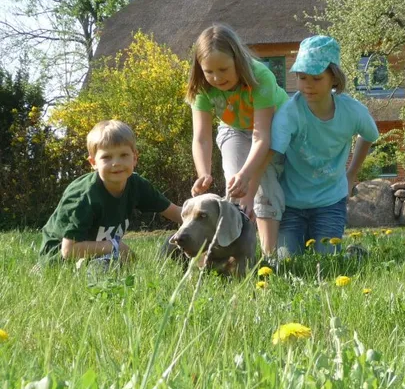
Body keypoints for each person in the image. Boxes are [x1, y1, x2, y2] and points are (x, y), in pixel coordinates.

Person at [270, 35, 380, 257]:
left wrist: (351, 174)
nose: (307, 86)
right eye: (302, 78)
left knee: (327, 260)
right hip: (291, 203)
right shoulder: (289, 113)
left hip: (330, 201)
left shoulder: (352, 111)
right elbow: (272, 154)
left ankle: (355, 255)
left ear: (334, 79)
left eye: (316, 78)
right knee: (287, 261)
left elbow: (369, 135)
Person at [185, 23, 289, 257]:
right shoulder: (202, 87)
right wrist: (204, 173)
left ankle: (269, 256)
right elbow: (201, 137)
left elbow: (261, 136)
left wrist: (248, 177)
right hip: (234, 128)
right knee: (235, 187)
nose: (216, 77)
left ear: (237, 60)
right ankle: (235, 254)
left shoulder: (260, 77)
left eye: (223, 69)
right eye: (208, 71)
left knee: (266, 185)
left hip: (272, 129)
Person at [39, 120, 183, 263]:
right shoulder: (84, 196)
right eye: (107, 157)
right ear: (93, 163)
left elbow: (177, 213)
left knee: (178, 241)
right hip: (61, 260)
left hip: (101, 254)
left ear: (135, 158)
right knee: (106, 267)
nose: (116, 163)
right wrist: (115, 246)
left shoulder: (137, 185)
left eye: (123, 155)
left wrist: (202, 221)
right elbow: (68, 250)